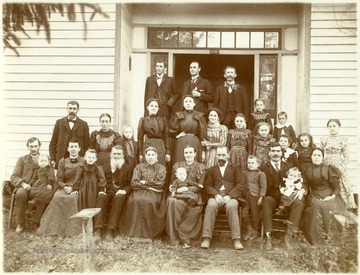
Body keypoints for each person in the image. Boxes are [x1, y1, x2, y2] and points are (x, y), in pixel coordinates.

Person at [260, 142, 306, 251]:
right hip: (272, 197)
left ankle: (288, 237)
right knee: (266, 201)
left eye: (278, 151)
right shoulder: (263, 167)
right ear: (269, 152)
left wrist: (303, 189)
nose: (275, 153)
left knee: (299, 203)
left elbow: (301, 179)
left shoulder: (289, 166)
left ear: (281, 153)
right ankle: (268, 236)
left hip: (288, 197)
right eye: (273, 151)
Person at [200, 146, 246, 250]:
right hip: (216, 196)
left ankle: (236, 240)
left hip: (231, 197)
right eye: (219, 155)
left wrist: (230, 196)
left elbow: (241, 184)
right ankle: (206, 238)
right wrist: (216, 194)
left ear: (228, 155)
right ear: (216, 156)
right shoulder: (211, 169)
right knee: (210, 205)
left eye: (223, 155)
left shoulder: (235, 168)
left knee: (231, 206)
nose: (221, 157)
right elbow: (207, 186)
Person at [37, 139, 85, 237]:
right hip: (64, 187)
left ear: (79, 149)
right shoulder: (63, 161)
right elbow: (59, 179)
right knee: (58, 197)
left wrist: (75, 189)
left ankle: (72, 230)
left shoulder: (83, 161)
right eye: (71, 147)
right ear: (68, 148)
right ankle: (55, 228)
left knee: (72, 198)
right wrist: (65, 187)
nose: (73, 149)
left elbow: (84, 178)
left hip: (78, 188)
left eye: (75, 147)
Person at [119, 147, 167, 239]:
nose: (151, 157)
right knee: (134, 200)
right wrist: (148, 186)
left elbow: (160, 183)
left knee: (149, 202)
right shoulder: (139, 167)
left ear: (156, 156)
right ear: (145, 156)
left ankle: (149, 233)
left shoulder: (161, 168)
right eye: (148, 155)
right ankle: (133, 232)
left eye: (153, 155)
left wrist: (145, 183)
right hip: (139, 191)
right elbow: (134, 183)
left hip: (155, 193)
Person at [301, 148, 346, 244]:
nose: (316, 157)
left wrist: (332, 196)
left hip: (330, 195)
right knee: (316, 206)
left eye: (319, 155)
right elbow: (305, 184)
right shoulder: (307, 170)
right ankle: (315, 239)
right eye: (314, 155)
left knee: (327, 206)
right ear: (311, 157)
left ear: (322, 157)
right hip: (315, 195)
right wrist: (303, 190)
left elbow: (336, 188)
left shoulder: (329, 169)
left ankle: (332, 239)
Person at [166, 145, 206, 248]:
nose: (188, 155)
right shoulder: (178, 165)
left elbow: (200, 186)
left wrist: (187, 189)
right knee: (171, 201)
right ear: (183, 154)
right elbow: (171, 182)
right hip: (178, 194)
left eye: (190, 152)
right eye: (186, 153)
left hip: (192, 196)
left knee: (176, 203)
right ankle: (173, 236)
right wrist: (172, 188)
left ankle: (184, 236)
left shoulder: (201, 167)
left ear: (195, 154)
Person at [94, 145, 133, 240]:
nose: (116, 156)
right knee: (101, 197)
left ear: (123, 155)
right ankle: (98, 229)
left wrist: (124, 190)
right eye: (114, 153)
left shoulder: (128, 168)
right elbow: (99, 180)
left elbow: (131, 184)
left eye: (118, 154)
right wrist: (101, 190)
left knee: (119, 198)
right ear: (111, 154)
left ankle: (110, 229)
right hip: (107, 191)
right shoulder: (104, 167)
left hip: (120, 192)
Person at [10, 137, 46, 233]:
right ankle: (21, 223)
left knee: (45, 194)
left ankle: (36, 222)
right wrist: (23, 184)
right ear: (28, 147)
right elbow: (14, 176)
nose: (33, 149)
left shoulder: (45, 159)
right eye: (31, 146)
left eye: (36, 146)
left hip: (39, 187)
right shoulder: (22, 160)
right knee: (20, 194)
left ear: (39, 146)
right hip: (25, 186)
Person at [320, 119, 357, 209]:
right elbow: (320, 152)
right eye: (330, 126)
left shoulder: (342, 139)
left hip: (338, 164)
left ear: (339, 127)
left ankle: (346, 206)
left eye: (334, 126)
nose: (332, 128)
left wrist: (342, 165)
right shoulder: (324, 139)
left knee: (342, 183)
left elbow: (347, 155)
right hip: (327, 163)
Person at [49, 100, 89, 168]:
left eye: (74, 109)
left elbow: (86, 144)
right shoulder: (59, 123)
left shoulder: (84, 124)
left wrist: (84, 158)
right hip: (62, 157)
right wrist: (53, 158)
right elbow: (53, 142)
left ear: (78, 110)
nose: (72, 111)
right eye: (70, 108)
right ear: (67, 109)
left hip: (78, 159)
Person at [169, 95, 208, 164]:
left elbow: (203, 135)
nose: (188, 103)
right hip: (181, 143)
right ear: (183, 104)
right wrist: (176, 136)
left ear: (194, 103)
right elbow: (170, 130)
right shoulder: (178, 115)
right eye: (186, 101)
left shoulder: (200, 116)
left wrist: (203, 151)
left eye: (190, 101)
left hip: (195, 143)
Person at [138, 98, 171, 166]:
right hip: (148, 146)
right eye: (151, 106)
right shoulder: (143, 120)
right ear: (147, 107)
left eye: (156, 106)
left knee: (160, 166)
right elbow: (140, 138)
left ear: (158, 108)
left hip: (160, 147)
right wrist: (140, 153)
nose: (154, 108)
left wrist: (168, 152)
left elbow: (166, 137)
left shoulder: (163, 120)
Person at [242, 155, 266, 241]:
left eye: (252, 163)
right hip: (245, 195)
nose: (250, 164)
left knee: (255, 214)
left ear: (258, 164)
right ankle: (249, 229)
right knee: (244, 212)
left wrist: (261, 197)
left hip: (255, 196)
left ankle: (255, 232)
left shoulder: (261, 174)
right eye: (249, 163)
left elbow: (263, 187)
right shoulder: (244, 173)